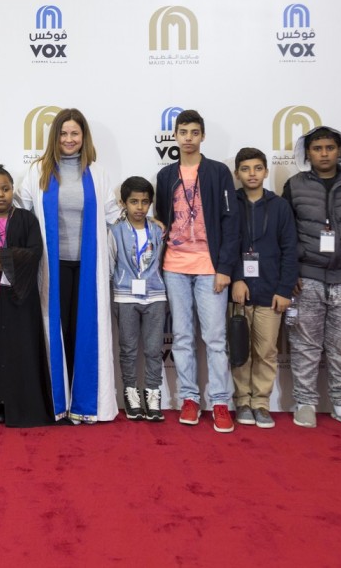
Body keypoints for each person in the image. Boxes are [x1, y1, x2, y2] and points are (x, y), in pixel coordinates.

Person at [15, 108, 120, 423]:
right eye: (63, 133)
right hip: (52, 266)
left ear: (84, 137)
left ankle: (84, 405)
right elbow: (19, 213)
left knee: (82, 332)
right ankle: (57, 403)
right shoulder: (38, 172)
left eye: (75, 133)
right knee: (55, 333)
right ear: (55, 136)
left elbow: (115, 217)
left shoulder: (97, 174)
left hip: (87, 268)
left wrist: (148, 223)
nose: (69, 139)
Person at [281, 126, 341, 431]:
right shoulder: (294, 185)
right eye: (317, 148)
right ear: (308, 153)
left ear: (340, 151)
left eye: (330, 148)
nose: (324, 154)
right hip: (306, 279)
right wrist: (290, 273)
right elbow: (285, 233)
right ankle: (305, 403)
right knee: (304, 347)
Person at [154, 110, 240, 433]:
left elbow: (231, 223)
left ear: (202, 136)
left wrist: (225, 268)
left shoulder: (218, 172)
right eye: (183, 132)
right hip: (174, 266)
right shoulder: (165, 175)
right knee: (182, 336)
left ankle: (220, 401)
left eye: (194, 132)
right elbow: (162, 218)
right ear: (175, 136)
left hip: (209, 267)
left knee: (215, 338)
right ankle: (188, 398)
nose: (188, 138)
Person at [0, 163, 55, 427]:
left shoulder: (26, 219)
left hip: (20, 298)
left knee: (21, 351)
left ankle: (22, 404)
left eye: (6, 189)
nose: (1, 195)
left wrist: (3, 255)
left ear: (13, 190)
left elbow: (35, 252)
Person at [229, 148, 298, 430]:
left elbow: (290, 250)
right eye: (245, 169)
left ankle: (261, 403)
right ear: (237, 173)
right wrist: (236, 278)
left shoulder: (280, 206)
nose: (252, 174)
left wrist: (284, 290)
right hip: (240, 292)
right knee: (240, 349)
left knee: (267, 351)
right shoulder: (230, 204)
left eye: (258, 168)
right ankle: (242, 401)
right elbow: (226, 245)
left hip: (271, 292)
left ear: (266, 172)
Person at [108, 176, 167, 422]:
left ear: (150, 203)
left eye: (145, 202)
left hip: (155, 296)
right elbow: (110, 265)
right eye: (134, 202)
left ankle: (153, 394)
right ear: (123, 203)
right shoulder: (115, 231)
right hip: (125, 296)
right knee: (128, 350)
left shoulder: (158, 230)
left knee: (154, 350)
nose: (140, 207)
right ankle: (131, 394)